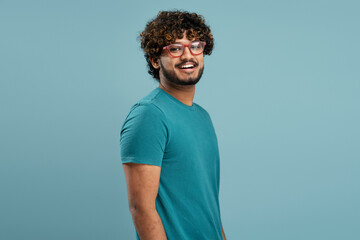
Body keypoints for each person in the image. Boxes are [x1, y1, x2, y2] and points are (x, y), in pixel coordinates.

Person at [120, 10, 226, 240]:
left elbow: (209, 208)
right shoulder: (149, 115)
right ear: (155, 59)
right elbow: (141, 209)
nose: (188, 55)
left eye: (195, 46)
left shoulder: (203, 117)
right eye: (175, 48)